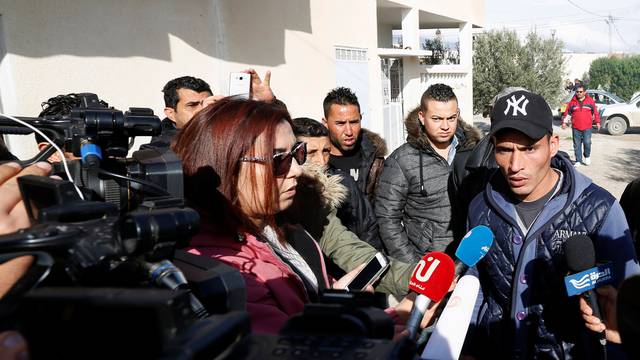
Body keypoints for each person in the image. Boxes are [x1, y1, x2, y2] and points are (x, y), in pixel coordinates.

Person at [172, 98, 417, 333]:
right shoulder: (225, 268)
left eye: (297, 154)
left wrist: (389, 315)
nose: (298, 170)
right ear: (226, 166)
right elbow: (290, 346)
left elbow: (313, 314)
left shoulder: (286, 224)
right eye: (278, 160)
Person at [463, 90, 639, 359]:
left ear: (553, 144)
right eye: (504, 150)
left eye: (529, 148)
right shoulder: (480, 207)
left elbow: (626, 305)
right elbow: (477, 283)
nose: (514, 165)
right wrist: (469, 347)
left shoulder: (601, 209)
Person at [375, 84, 480, 263]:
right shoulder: (402, 160)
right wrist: (413, 266)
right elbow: (387, 218)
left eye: (451, 118)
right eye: (437, 119)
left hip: (468, 260)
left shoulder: (473, 153)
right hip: (426, 264)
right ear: (422, 117)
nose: (445, 126)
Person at [291, 117, 382, 251]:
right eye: (311, 153)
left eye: (326, 151)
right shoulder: (285, 191)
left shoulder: (345, 182)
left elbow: (368, 228)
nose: (321, 161)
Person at [151, 70, 275, 147]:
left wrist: (265, 104)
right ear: (171, 113)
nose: (202, 109)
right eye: (192, 105)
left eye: (206, 103)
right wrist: (203, 122)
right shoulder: (161, 146)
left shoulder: (224, 128)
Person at [323, 87, 386, 201]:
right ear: (325, 123)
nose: (348, 131)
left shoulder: (375, 160)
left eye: (354, 122)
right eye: (340, 123)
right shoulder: (315, 162)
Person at [562, 84, 600, 167]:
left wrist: (597, 122)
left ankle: (587, 156)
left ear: (584, 92)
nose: (578, 93)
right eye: (577, 92)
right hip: (576, 127)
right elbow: (568, 113)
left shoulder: (590, 101)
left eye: (580, 92)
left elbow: (595, 112)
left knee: (587, 142)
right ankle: (578, 161)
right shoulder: (572, 102)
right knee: (577, 144)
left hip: (587, 127)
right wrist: (564, 122)